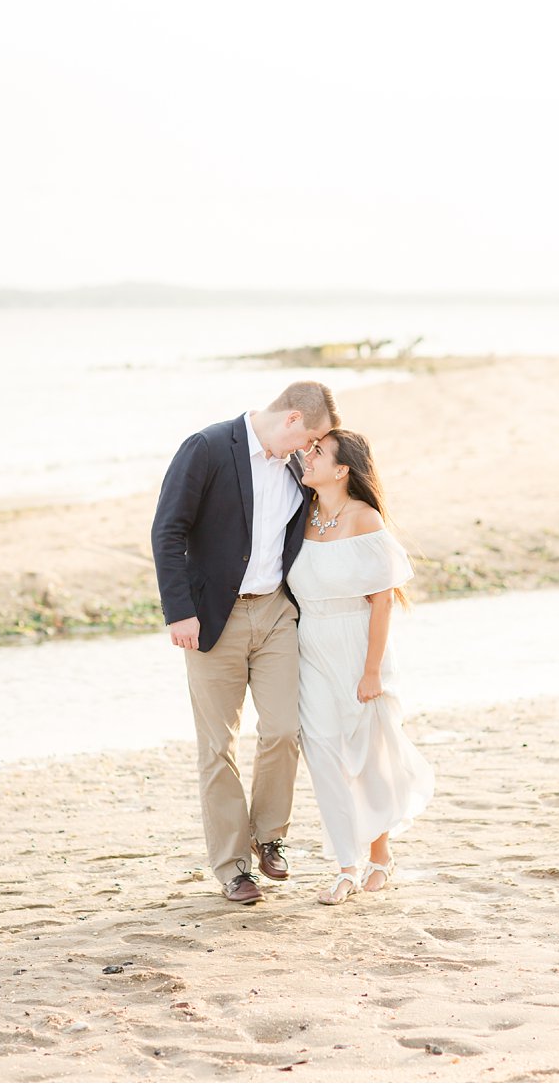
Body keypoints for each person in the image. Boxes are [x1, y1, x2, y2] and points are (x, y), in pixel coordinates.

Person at [152, 381, 339, 904]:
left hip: (278, 612)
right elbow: (168, 530)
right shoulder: (208, 447)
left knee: (284, 730)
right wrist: (179, 612)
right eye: (311, 439)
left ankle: (270, 837)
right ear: (293, 420)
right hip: (215, 618)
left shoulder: (298, 469)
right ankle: (233, 867)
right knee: (218, 747)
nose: (310, 452)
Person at [286, 429, 434, 906]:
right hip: (311, 647)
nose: (306, 458)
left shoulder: (364, 518)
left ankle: (380, 857)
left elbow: (382, 602)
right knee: (325, 755)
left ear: (342, 468)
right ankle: (347, 866)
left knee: (367, 756)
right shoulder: (301, 516)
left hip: (357, 645)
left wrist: (371, 672)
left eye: (317, 453)